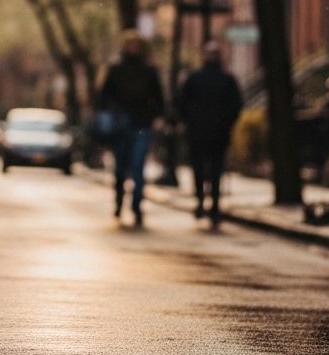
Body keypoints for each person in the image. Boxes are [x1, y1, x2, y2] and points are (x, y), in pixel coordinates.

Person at [95, 30, 164, 228]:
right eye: (130, 45)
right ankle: (118, 199)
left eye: (137, 45)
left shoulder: (149, 71)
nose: (134, 49)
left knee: (138, 167)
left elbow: (158, 99)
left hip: (141, 125)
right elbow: (103, 97)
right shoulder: (115, 69)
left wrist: (155, 116)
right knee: (120, 167)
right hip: (120, 126)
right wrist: (110, 113)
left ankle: (136, 206)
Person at [176, 40, 242, 226]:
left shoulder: (199, 78)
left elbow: (181, 103)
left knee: (205, 168)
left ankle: (207, 203)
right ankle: (209, 204)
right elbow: (236, 106)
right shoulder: (225, 79)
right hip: (213, 131)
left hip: (202, 131)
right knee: (213, 168)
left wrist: (187, 121)